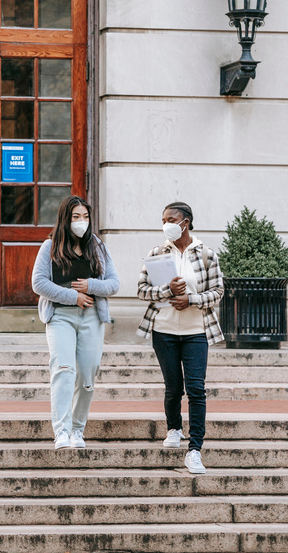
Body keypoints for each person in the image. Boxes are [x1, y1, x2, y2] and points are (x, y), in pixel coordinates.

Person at [137, 201, 224, 474]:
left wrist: (191, 299)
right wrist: (166, 290)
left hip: (195, 331)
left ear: (186, 221)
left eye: (171, 219)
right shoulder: (156, 253)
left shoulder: (207, 254)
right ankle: (174, 428)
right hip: (163, 331)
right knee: (173, 387)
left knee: (196, 389)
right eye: (163, 219)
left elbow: (218, 291)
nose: (166, 225)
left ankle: (195, 449)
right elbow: (141, 290)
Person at [31, 196, 120, 449]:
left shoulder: (97, 246)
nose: (81, 222)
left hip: (92, 317)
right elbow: (39, 283)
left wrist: (91, 286)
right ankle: (61, 430)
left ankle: (78, 430)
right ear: (65, 219)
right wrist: (73, 296)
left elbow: (114, 283)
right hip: (60, 317)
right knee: (64, 370)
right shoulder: (50, 246)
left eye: (85, 217)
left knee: (87, 375)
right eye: (75, 217)